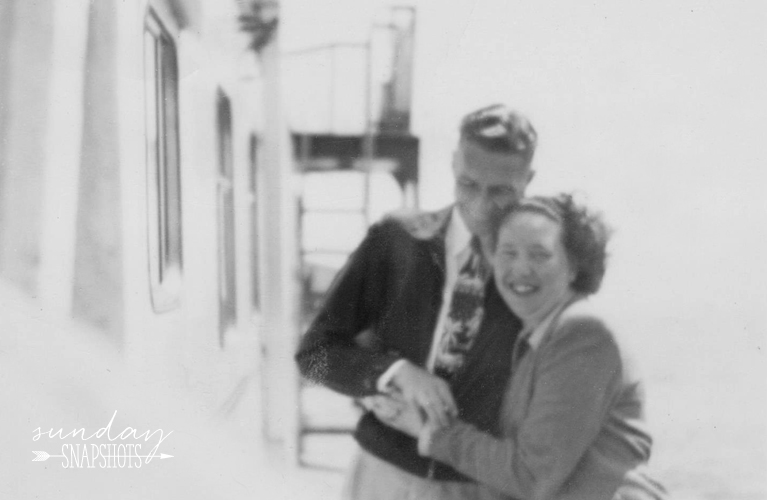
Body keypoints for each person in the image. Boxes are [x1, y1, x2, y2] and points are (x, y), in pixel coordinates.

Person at [295, 104, 538, 499]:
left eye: (501, 192)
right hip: (381, 478)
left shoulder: (541, 275)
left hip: (478, 488)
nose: (480, 206)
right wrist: (395, 371)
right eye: (468, 185)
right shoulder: (395, 240)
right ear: (453, 164)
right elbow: (313, 358)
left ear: (528, 180)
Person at [385, 194, 669, 500]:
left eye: (539, 254)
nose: (520, 269)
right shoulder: (538, 338)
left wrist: (433, 431)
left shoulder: (582, 332)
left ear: (574, 266)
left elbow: (531, 475)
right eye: (508, 253)